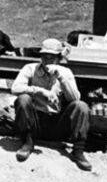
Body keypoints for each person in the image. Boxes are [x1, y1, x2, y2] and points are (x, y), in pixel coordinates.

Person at [11, 37, 92, 171]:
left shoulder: (65, 72)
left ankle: (78, 151)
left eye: (52, 57)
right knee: (23, 99)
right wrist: (39, 91)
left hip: (57, 123)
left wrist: (62, 78)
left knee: (81, 106)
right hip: (35, 122)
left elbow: (75, 99)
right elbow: (15, 88)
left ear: (59, 58)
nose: (47, 60)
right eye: (44, 57)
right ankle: (27, 142)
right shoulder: (30, 68)